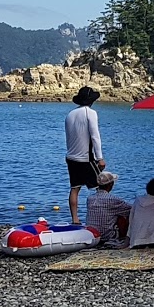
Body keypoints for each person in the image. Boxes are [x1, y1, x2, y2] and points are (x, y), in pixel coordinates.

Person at [64, 85, 106, 225]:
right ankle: (100, 218)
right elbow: (95, 136)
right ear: (91, 100)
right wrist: (100, 158)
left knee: (75, 188)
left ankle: (75, 220)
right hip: (85, 158)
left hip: (71, 157)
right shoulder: (90, 113)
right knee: (103, 186)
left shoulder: (70, 114)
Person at [85, 171, 132, 248]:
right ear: (111, 184)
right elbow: (133, 210)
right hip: (107, 236)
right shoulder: (113, 199)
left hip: (92, 234)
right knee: (124, 216)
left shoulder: (90, 198)